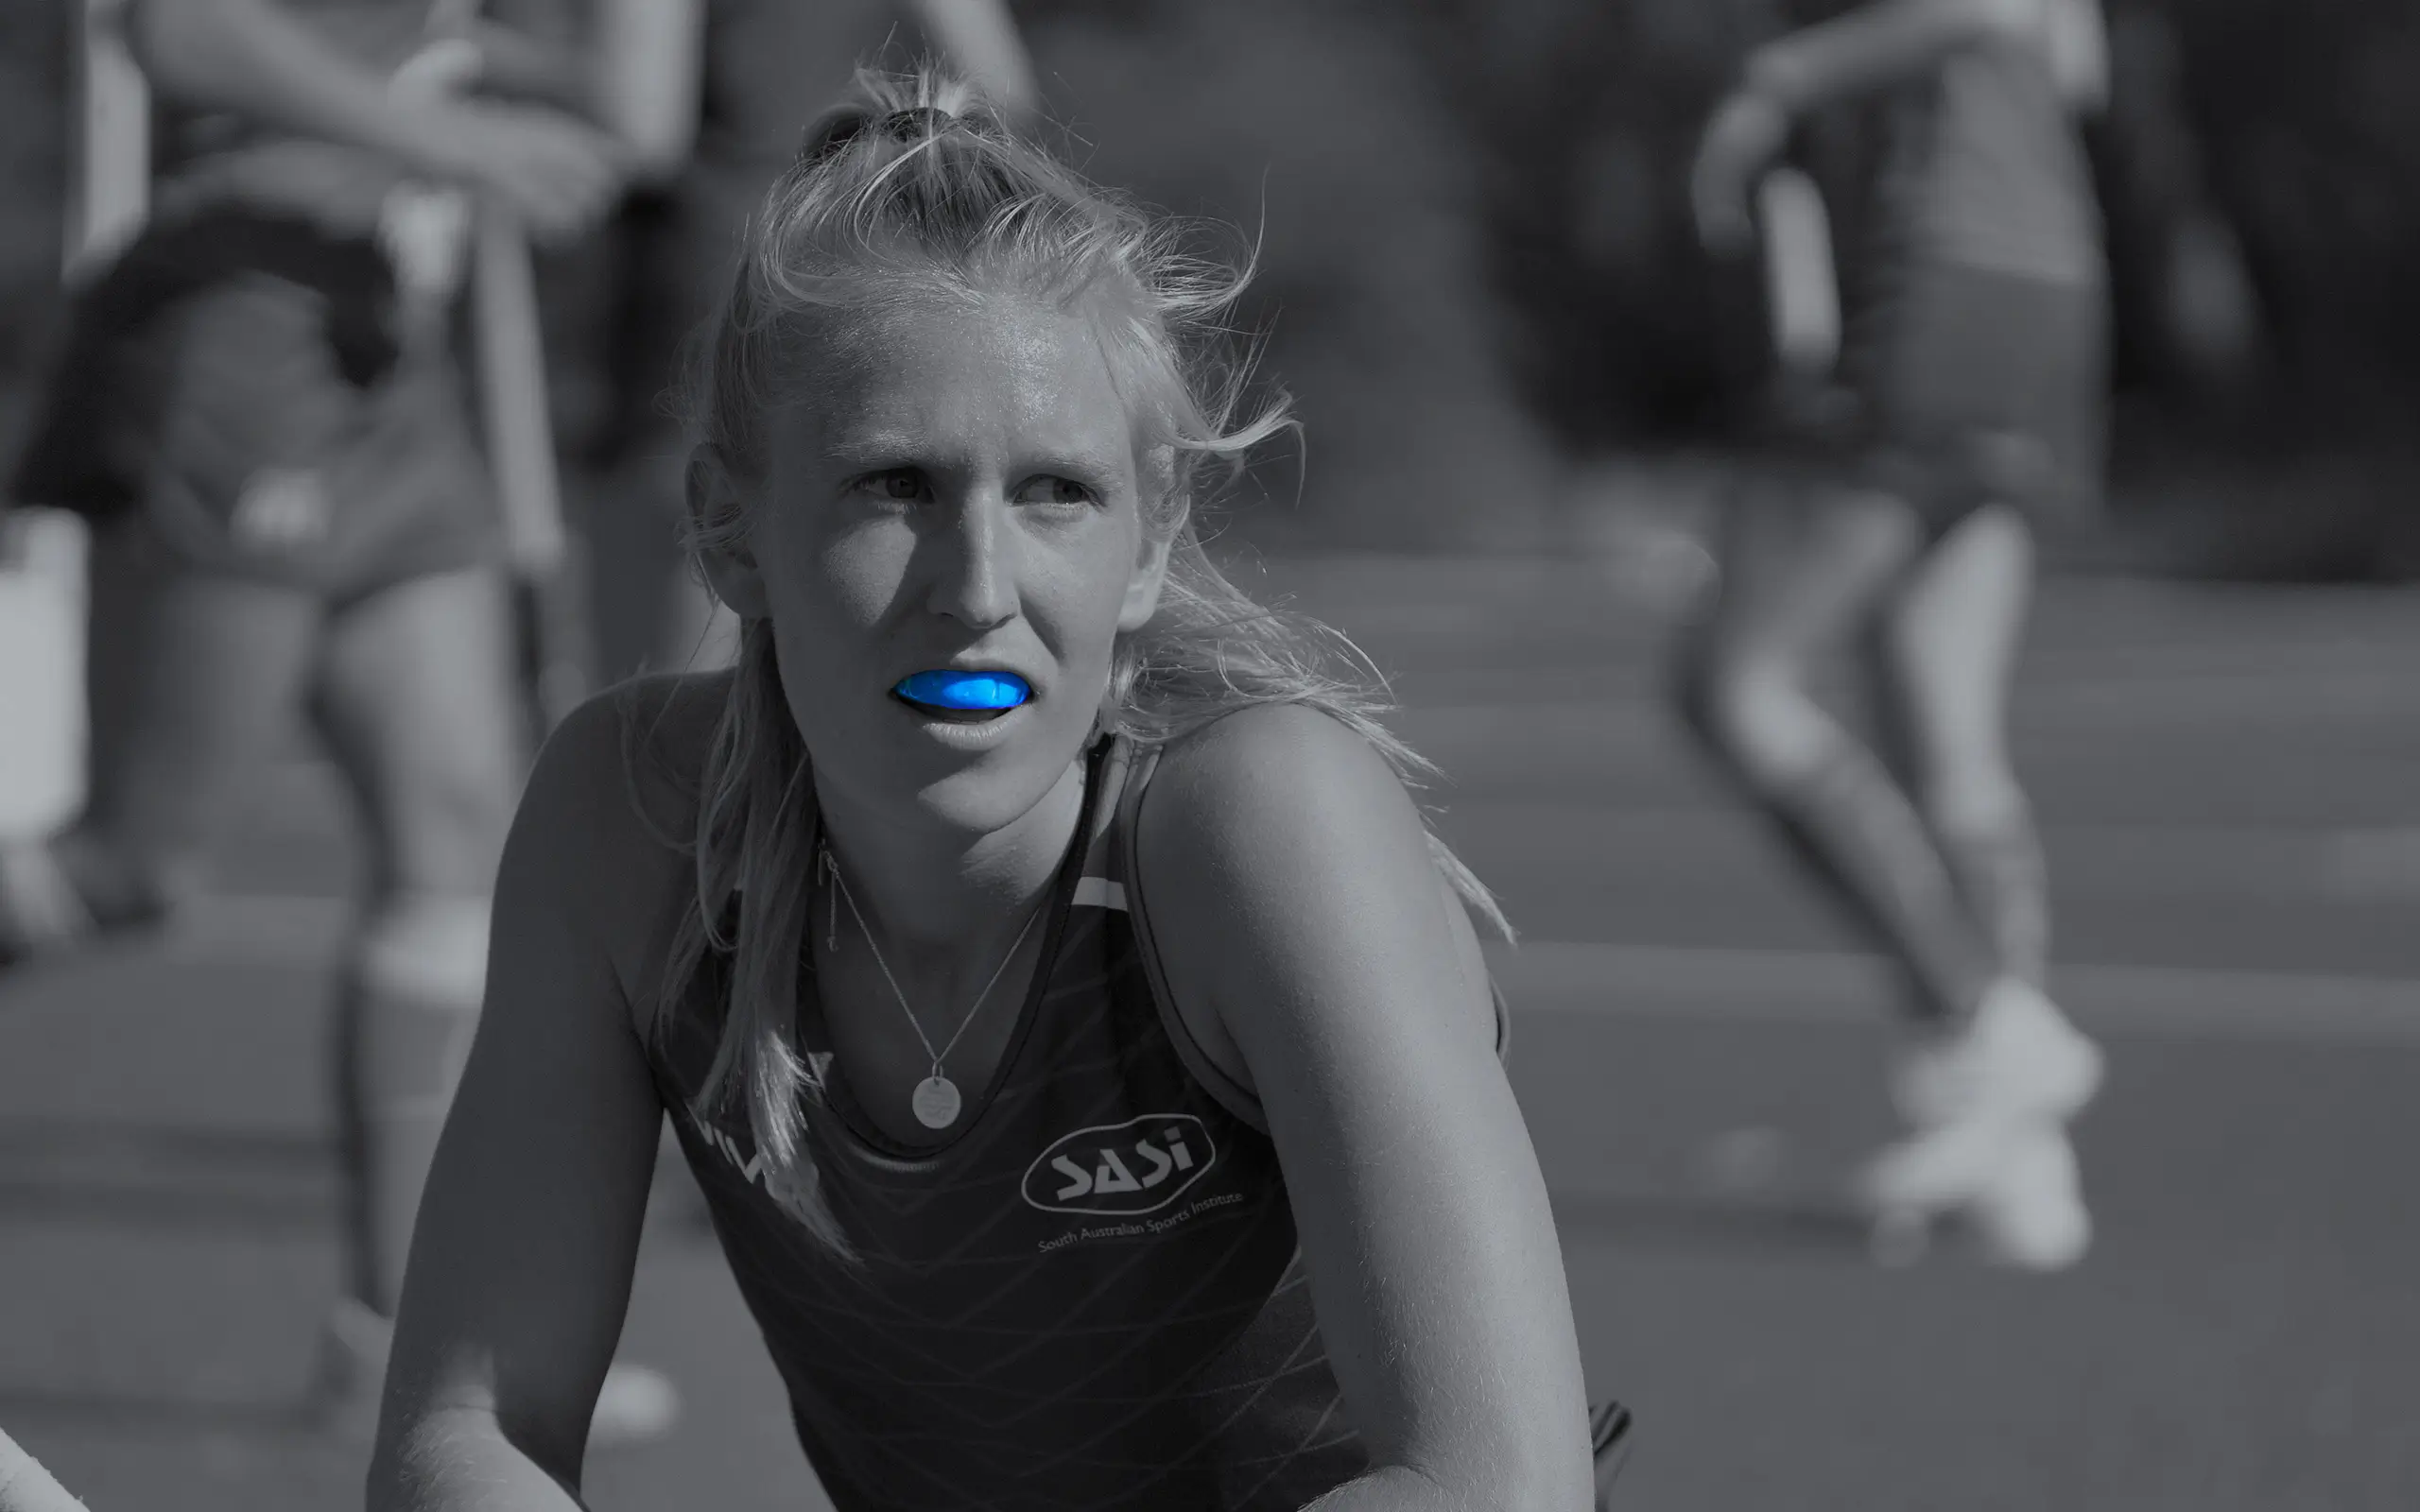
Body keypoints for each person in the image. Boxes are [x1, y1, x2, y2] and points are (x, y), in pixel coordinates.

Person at [370, 65, 1633, 1511]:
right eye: (892, 486)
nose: (977, 590)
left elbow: (1496, 1484)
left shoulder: (1258, 827)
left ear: (1150, 542)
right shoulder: (633, 822)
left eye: (1057, 494)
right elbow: (476, 1428)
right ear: (729, 530)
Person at [0, 0, 674, 1442]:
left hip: (385, 357)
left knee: (454, 847)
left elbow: (604, 107)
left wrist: (555, 76)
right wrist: (453, 133)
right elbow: (174, 30)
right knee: (136, 871)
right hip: (240, 339)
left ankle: (394, 1335)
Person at [1678, 0, 2112, 1269]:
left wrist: (1776, 78)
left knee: (1734, 686)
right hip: (2045, 288)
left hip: (1944, 279)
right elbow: (2068, 66)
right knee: (1949, 733)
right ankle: (2021, 1160)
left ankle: (1990, 1019)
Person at [574, 0, 1039, 686]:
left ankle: (689, 781)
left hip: (716, 270)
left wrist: (494, 67)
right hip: (866, 261)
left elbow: (644, 125)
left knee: (700, 571)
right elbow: (1000, 87)